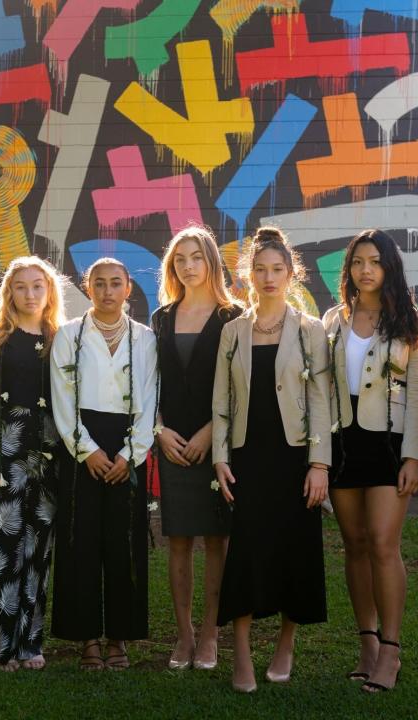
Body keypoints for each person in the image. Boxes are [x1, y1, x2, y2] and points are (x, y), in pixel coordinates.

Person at [211, 227, 331, 693]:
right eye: (259, 269)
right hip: (246, 457)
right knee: (245, 551)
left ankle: (285, 644)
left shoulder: (310, 330)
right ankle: (241, 652)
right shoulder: (232, 333)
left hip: (294, 458)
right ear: (247, 276)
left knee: (293, 550)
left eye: (277, 270)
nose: (268, 277)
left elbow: (321, 400)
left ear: (291, 274)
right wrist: (220, 458)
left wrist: (319, 464)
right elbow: (220, 403)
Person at [322, 229, 418, 692]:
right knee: (354, 544)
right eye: (357, 262)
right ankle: (366, 643)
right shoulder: (332, 319)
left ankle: (391, 649)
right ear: (348, 269)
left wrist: (413, 457)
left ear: (390, 267)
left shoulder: (413, 320)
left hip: (389, 445)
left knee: (384, 543)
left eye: (375, 261)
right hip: (342, 442)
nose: (365, 270)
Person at [49, 257, 158, 671]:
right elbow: (63, 399)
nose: (108, 291)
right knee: (81, 542)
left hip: (128, 449)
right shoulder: (69, 336)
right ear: (87, 287)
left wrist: (130, 455)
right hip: (83, 448)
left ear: (128, 288)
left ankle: (119, 637)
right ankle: (87, 638)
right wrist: (87, 449)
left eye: (116, 283)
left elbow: (149, 400)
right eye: (100, 283)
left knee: (124, 544)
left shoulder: (145, 339)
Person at [0, 256, 66, 672]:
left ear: (49, 292)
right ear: (9, 291)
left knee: (38, 549)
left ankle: (30, 643)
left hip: (48, 451)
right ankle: (0, 646)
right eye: (21, 286)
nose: (29, 294)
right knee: (3, 547)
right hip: (4, 449)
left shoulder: (61, 337)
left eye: (37, 286)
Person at [151, 226, 241, 671]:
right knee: (179, 543)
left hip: (216, 445)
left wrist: (212, 432)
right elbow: (149, 385)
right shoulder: (162, 317)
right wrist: (158, 429)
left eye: (196, 258)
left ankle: (211, 634)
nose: (188, 267)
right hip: (171, 444)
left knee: (217, 541)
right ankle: (184, 636)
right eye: (179, 259)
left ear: (211, 262)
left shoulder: (233, 316)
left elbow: (241, 389)